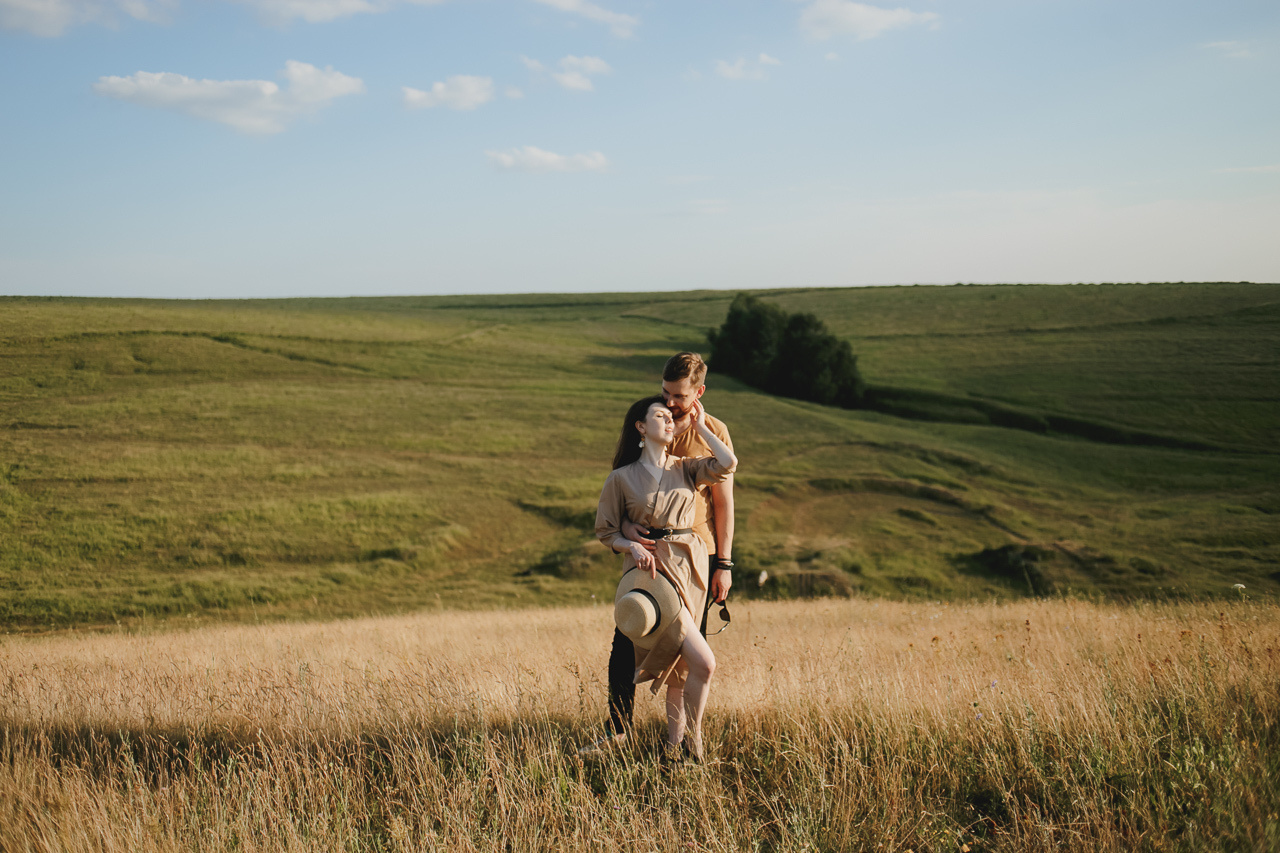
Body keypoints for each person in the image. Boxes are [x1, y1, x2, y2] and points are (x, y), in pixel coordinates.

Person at [587, 352, 737, 754]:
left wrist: (723, 562)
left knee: (687, 655)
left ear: (699, 393)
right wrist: (627, 532)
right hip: (647, 559)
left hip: (695, 556)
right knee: (626, 639)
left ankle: (680, 742)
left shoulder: (705, 437)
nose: (669, 405)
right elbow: (612, 516)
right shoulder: (643, 436)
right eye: (664, 395)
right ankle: (618, 728)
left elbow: (724, 499)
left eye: (678, 397)